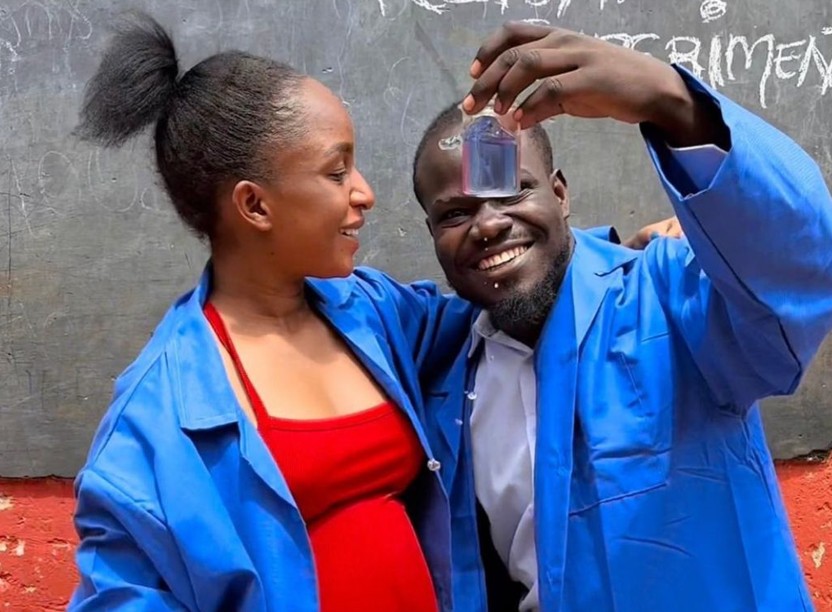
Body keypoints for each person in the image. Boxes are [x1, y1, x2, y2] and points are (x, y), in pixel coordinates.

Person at [412, 22, 832, 612]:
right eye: (455, 213)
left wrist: (670, 101)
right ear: (431, 235)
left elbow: (801, 265)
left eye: (511, 192)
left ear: (559, 194)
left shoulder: (668, 300)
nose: (487, 224)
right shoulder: (446, 364)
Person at [68, 12, 478, 611]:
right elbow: (121, 593)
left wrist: (621, 251)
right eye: (337, 172)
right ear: (254, 205)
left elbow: (493, 309)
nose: (364, 192)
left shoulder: (374, 314)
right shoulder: (157, 420)